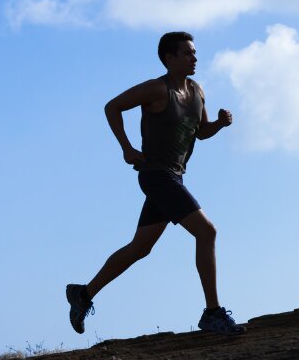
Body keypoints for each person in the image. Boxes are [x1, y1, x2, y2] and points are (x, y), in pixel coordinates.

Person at [66, 31, 246, 336]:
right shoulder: (156, 89)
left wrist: (219, 124)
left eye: (194, 52)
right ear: (169, 58)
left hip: (173, 175)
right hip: (156, 175)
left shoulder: (197, 91)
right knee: (207, 231)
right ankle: (213, 313)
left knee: (140, 247)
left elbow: (200, 132)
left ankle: (83, 294)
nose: (194, 58)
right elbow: (112, 107)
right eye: (187, 53)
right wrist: (126, 147)